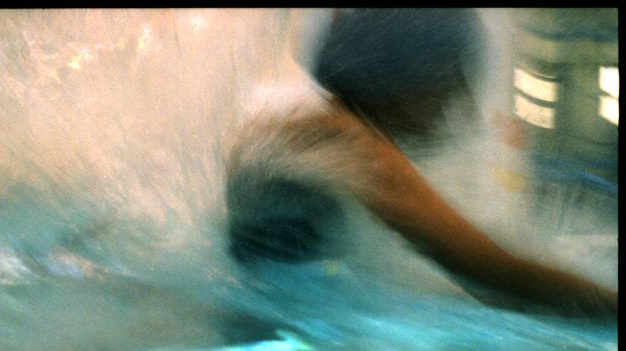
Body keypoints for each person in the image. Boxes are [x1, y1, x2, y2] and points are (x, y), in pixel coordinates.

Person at [227, 8, 618, 319]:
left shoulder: (314, 129)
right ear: (406, 80)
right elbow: (488, 269)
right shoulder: (339, 141)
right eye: (453, 79)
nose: (458, 103)